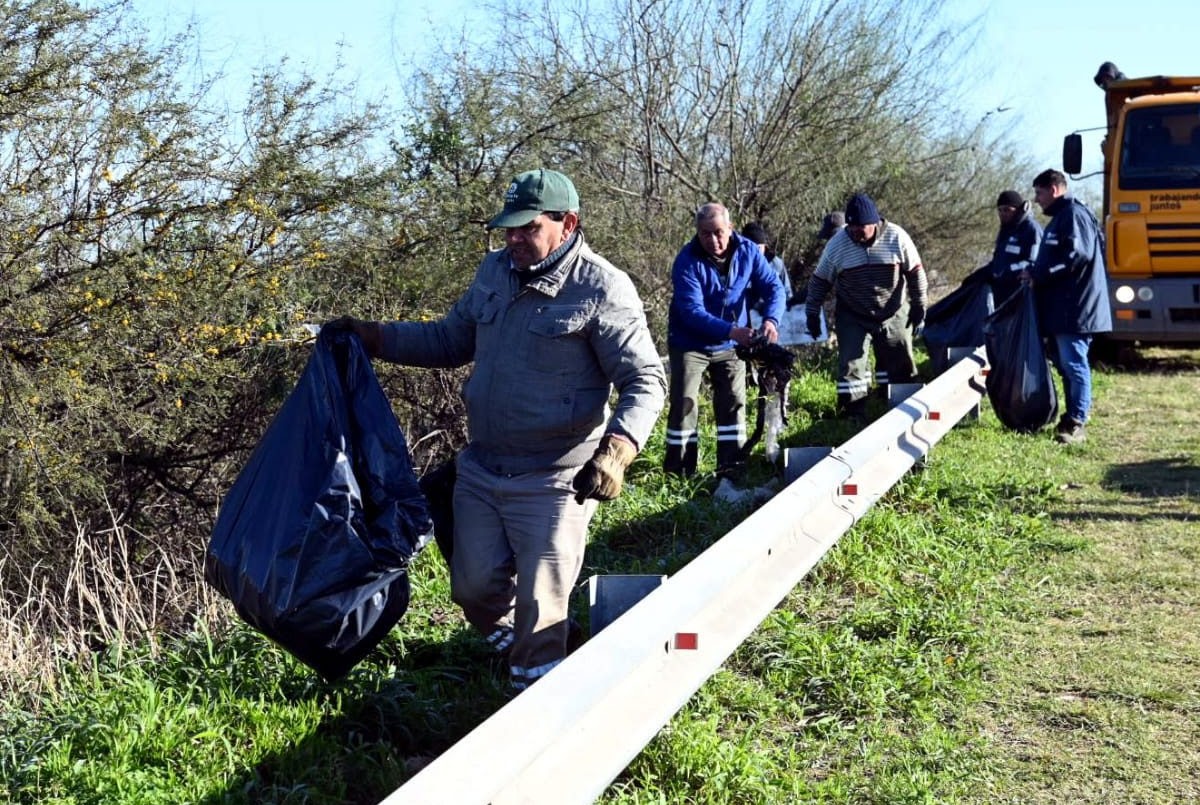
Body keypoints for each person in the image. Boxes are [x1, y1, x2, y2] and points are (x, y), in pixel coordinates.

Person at [331, 168, 666, 691]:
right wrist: (372, 337)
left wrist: (617, 450)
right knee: (473, 588)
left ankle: (539, 707)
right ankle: (520, 650)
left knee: (542, 603)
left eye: (526, 228)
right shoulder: (495, 272)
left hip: (556, 478)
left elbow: (645, 379)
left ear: (566, 223)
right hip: (484, 469)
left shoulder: (601, 288)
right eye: (507, 228)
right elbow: (449, 340)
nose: (512, 239)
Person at [664, 202, 785, 477]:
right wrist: (732, 331)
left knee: (733, 401)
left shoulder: (748, 252)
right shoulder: (687, 261)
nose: (713, 240)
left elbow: (774, 287)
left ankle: (732, 466)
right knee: (684, 403)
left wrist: (771, 320)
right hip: (690, 341)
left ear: (730, 228)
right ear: (698, 232)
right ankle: (679, 472)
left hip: (732, 344)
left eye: (719, 232)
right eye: (706, 233)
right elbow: (691, 312)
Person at [803, 192, 928, 420]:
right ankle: (852, 413)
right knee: (851, 364)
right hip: (853, 312)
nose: (855, 233)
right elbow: (820, 280)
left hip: (893, 308)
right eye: (851, 228)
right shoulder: (838, 244)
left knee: (900, 357)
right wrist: (812, 312)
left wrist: (920, 304)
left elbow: (916, 272)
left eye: (860, 228)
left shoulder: (897, 237)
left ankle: (904, 409)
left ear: (874, 223)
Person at [1023, 169, 1111, 444]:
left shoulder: (1073, 215)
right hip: (1063, 309)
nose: (1036, 200)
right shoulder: (1061, 217)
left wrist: (1039, 275)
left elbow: (1076, 256)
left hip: (1077, 309)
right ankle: (1070, 418)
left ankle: (1076, 423)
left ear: (1055, 189)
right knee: (1065, 365)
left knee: (1074, 364)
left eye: (1039, 193)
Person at [988, 190, 1043, 304]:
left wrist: (1007, 271)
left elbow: (1034, 261)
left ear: (1017, 209)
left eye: (1007, 210)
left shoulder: (1031, 229)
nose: (1002, 213)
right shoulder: (1006, 230)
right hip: (1000, 290)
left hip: (1019, 294)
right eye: (1000, 210)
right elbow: (999, 259)